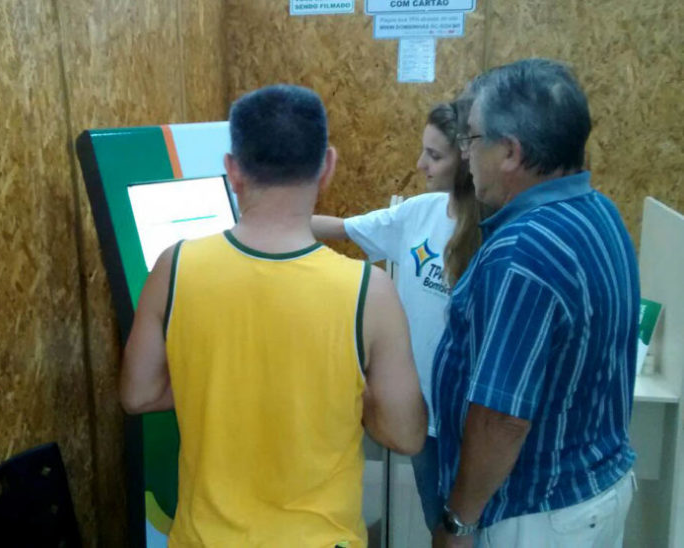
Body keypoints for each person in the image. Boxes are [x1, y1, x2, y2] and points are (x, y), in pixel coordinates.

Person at [119, 84, 427, 547]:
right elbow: (406, 434)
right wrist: (334, 393)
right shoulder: (370, 291)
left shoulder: (174, 267)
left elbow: (137, 394)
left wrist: (219, 387)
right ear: (327, 166)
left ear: (232, 169)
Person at [432, 59, 639, 548]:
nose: (466, 155)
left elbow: (502, 418)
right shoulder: (599, 211)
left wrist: (459, 522)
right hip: (593, 491)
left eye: (471, 139)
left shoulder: (523, 250)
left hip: (535, 514)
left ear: (510, 152)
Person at [312, 100, 483, 532]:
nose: (420, 163)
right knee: (438, 524)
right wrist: (266, 221)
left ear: (466, 163)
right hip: (421, 414)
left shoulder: (492, 232)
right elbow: (343, 228)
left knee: (472, 528)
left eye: (434, 155)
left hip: (468, 420)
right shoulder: (419, 212)